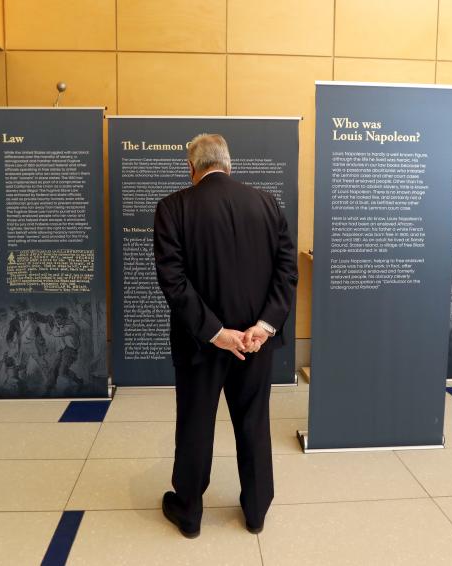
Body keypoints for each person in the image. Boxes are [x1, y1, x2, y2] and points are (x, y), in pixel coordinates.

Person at [154, 133, 297, 538]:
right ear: (228, 164)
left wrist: (216, 333)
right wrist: (263, 327)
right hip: (254, 343)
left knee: (196, 423)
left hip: (199, 343)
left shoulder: (172, 208)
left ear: (191, 167)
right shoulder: (267, 204)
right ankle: (255, 511)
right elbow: (286, 273)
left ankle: (189, 512)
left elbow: (173, 282)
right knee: (253, 421)